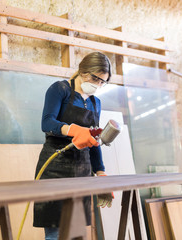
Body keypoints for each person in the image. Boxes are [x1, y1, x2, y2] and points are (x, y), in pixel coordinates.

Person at [33, 52, 113, 239]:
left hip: (82, 170)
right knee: (54, 231)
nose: (98, 85)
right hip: (54, 165)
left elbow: (94, 141)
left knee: (76, 231)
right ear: (83, 71)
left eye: (103, 82)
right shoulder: (60, 89)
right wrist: (73, 130)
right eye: (96, 79)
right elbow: (47, 123)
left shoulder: (96, 102)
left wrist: (100, 172)